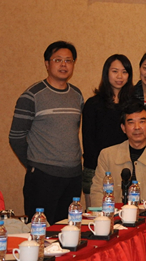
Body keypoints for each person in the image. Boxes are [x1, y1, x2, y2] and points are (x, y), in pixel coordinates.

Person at [9, 41, 83, 224]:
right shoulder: (32, 96)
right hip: (42, 178)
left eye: (68, 60)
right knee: (41, 231)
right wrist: (34, 165)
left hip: (73, 176)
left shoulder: (77, 95)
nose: (63, 65)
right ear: (47, 63)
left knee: (69, 230)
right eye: (58, 60)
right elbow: (16, 137)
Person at [90, 102, 146, 206]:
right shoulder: (107, 155)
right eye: (131, 122)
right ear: (123, 128)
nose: (137, 127)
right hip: (115, 215)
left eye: (142, 122)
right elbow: (97, 193)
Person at [82, 54, 134, 199]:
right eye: (115, 71)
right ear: (106, 73)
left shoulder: (133, 105)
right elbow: (88, 140)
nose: (120, 76)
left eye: (124, 72)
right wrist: (101, 167)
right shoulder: (93, 104)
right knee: (96, 211)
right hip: (96, 169)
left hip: (126, 169)